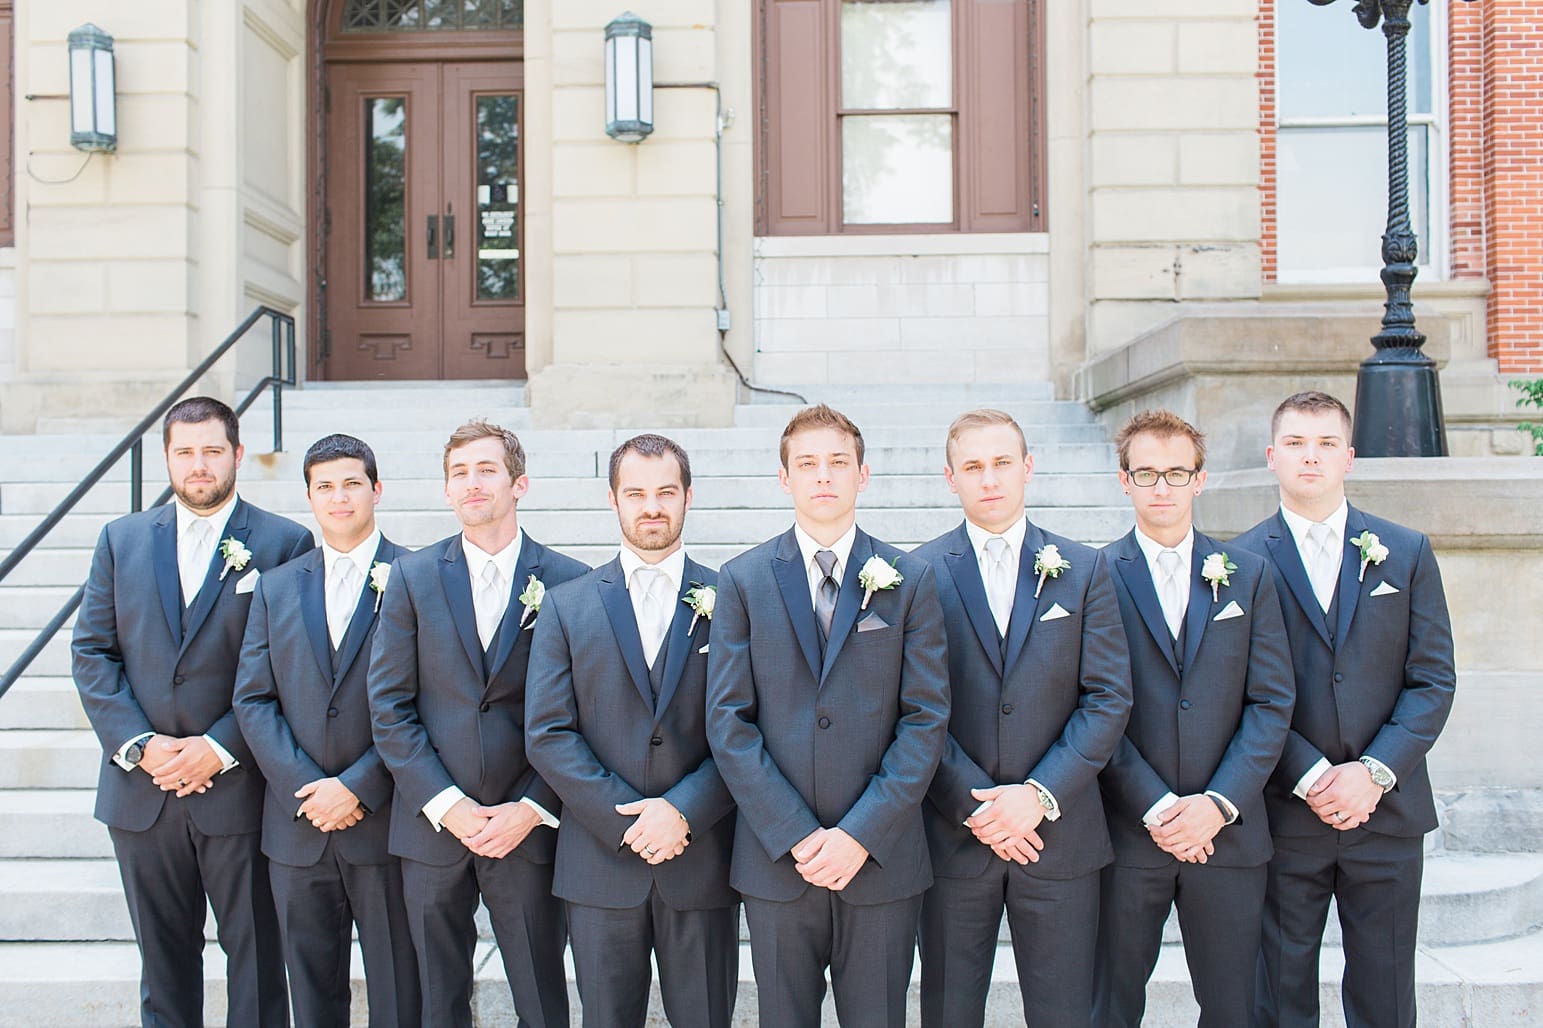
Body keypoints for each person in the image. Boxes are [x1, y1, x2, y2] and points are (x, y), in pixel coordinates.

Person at [72, 396, 314, 1027]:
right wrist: (141, 746)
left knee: (259, 962)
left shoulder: (285, 542)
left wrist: (218, 745)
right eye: (186, 452)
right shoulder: (120, 540)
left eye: (212, 450)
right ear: (167, 458)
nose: (199, 465)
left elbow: (291, 670)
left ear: (237, 455)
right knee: (162, 964)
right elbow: (93, 653)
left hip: (240, 788)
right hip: (140, 792)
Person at [706, 403, 950, 1028]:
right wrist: (797, 835)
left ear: (862, 475)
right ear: (783, 478)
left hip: (881, 860)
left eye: (838, 462)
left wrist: (859, 834)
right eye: (807, 464)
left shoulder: (909, 578)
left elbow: (925, 719)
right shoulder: (742, 580)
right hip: (777, 860)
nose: (823, 476)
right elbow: (729, 722)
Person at [1234, 391, 1455, 1028]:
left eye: (1327, 444)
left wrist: (1373, 772)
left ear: (1350, 458)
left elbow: (1433, 680)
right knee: (1276, 995)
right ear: (1273, 457)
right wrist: (1312, 777)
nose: (1312, 457)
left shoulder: (1406, 552)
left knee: (1386, 997)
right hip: (1283, 813)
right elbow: (1239, 691)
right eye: (1297, 444)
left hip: (1387, 813)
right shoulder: (1236, 561)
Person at [912, 408, 1131, 1026]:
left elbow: (1107, 697)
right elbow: (914, 707)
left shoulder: (1085, 570)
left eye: (1002, 463)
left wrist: (1038, 795)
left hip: (1059, 836)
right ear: (950, 477)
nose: (990, 479)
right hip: (956, 837)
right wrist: (976, 805)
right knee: (950, 1012)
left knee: (1063, 1012)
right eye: (973, 467)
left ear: (1028, 468)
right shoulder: (917, 573)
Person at [367, 420, 588, 1028]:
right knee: (436, 1001)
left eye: (486, 470)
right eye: (459, 473)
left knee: (542, 998)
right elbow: (389, 705)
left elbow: (584, 715)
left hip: (528, 826)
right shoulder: (411, 577)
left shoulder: (570, 581)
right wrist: (445, 804)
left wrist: (531, 807)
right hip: (433, 826)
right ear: (445, 490)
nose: (472, 484)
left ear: (520, 483)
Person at [526, 434, 738, 1028]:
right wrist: (629, 817)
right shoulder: (567, 606)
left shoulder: (734, 596)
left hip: (701, 859)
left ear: (688, 498)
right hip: (600, 862)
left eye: (666, 492)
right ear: (613, 501)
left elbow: (748, 725)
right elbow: (547, 732)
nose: (652, 506)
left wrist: (682, 811)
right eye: (636, 493)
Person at [1094, 409, 1295, 1028]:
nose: (1162, 487)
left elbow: (1270, 702)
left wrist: (1218, 803)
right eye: (1147, 473)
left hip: (1227, 832)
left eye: (1176, 474)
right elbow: (1090, 704)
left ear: (1199, 481)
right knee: (1110, 1003)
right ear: (1124, 481)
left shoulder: (1251, 575)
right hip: (1129, 832)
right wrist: (1154, 805)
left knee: (1235, 1005)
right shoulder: (1092, 576)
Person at [233, 433, 419, 1027]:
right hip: (297, 824)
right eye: (325, 487)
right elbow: (254, 699)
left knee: (400, 991)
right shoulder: (276, 585)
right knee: (310, 995)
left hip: (387, 822)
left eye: (352, 484)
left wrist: (360, 785)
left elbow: (432, 703)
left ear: (376, 490)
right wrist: (308, 787)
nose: (339, 498)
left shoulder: (421, 576)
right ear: (310, 498)